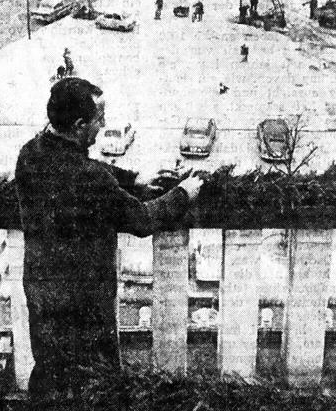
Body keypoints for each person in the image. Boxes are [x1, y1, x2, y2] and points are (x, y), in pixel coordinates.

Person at [14, 78, 203, 403]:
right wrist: (183, 194)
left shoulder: (31, 153)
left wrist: (130, 178)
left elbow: (77, 164)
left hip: (42, 292)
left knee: (50, 372)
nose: (103, 124)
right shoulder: (90, 179)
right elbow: (141, 220)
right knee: (98, 384)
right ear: (78, 125)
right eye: (99, 118)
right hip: (85, 301)